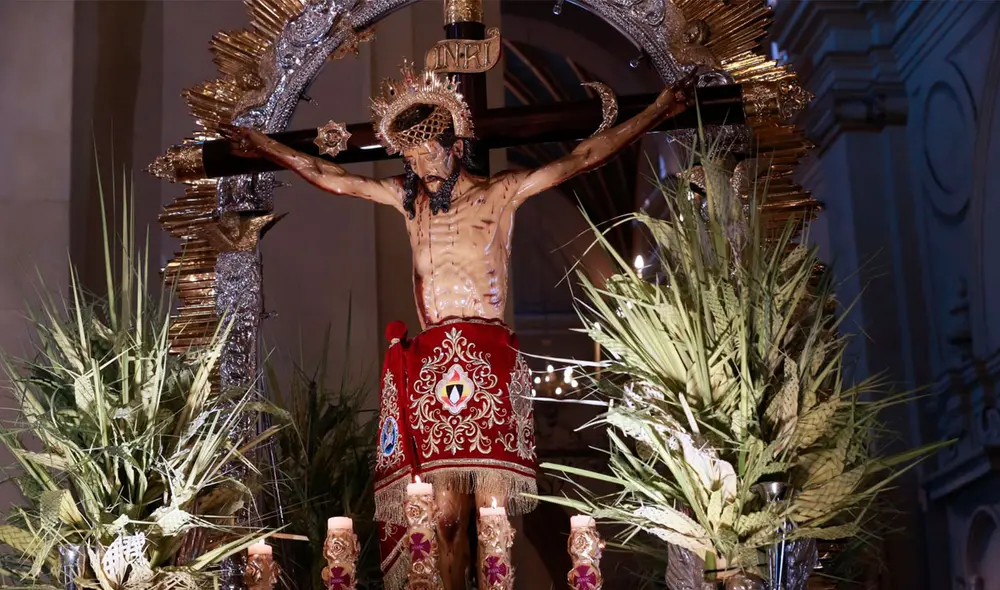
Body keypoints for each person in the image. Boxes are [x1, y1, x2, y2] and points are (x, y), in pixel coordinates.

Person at [224, 61, 694, 589]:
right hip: (433, 362)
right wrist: (267, 147)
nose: (421, 169)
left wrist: (654, 112)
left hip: (487, 359)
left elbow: (581, 158)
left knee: (493, 513)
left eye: (428, 155)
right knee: (443, 514)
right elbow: (334, 177)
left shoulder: (500, 193)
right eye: (411, 159)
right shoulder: (409, 204)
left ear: (454, 145)